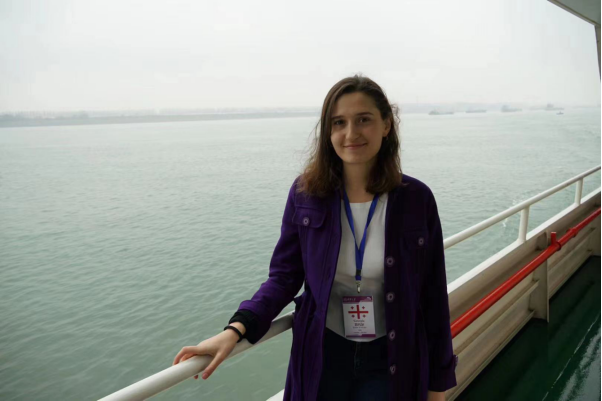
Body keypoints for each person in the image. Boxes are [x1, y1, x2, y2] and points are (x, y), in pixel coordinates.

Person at [172, 74, 458, 401]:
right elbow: (284, 277)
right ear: (328, 132)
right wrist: (236, 329)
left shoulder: (416, 199)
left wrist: (437, 387)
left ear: (386, 125)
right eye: (339, 122)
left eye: (364, 119)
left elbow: (433, 296)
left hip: (390, 357)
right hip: (324, 355)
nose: (351, 133)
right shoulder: (306, 195)